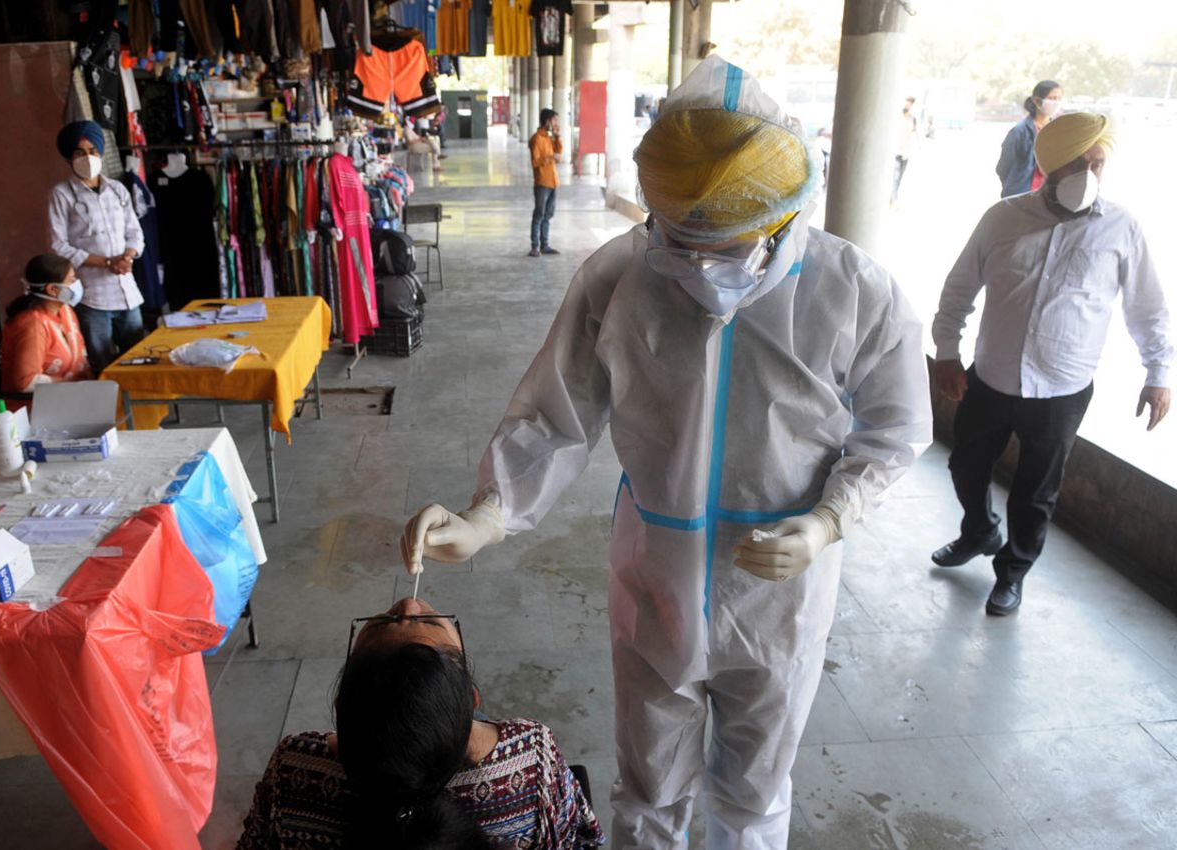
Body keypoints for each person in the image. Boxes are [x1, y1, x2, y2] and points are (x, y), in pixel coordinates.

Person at [401, 56, 932, 850]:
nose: (701, 268)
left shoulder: (855, 292)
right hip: (654, 578)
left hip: (780, 596)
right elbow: (558, 410)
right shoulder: (621, 275)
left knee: (755, 791)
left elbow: (894, 430)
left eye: (725, 244)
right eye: (681, 241)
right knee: (648, 788)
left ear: (784, 214)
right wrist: (490, 511)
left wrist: (827, 520)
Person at [931, 111, 1172, 616]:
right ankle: (979, 531)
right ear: (1049, 166)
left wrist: (1159, 374)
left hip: (1062, 390)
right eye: (1075, 164)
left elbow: (1148, 309)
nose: (1087, 175)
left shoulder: (1122, 228)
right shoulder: (1003, 217)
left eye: (1097, 164)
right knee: (965, 465)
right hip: (991, 379)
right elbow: (958, 289)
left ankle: (1012, 574)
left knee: (1035, 493)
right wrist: (947, 353)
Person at [236, 596, 605, 849]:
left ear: (340, 712)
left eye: (382, 623)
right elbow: (581, 839)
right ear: (472, 699)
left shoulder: (292, 768)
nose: (409, 604)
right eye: (430, 623)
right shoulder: (531, 757)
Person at [48, 120, 146, 373]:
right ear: (69, 158)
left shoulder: (117, 190)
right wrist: (107, 262)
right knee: (101, 364)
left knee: (138, 360)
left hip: (128, 294)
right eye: (80, 152)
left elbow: (134, 232)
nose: (88, 157)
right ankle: (109, 412)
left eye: (93, 151)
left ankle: (142, 411)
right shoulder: (61, 194)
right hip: (93, 297)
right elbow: (58, 245)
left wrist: (128, 257)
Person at [0, 253, 92, 403]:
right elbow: (26, 383)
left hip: (73, 396)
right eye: (71, 280)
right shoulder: (32, 326)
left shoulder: (65, 311)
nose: (77, 284)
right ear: (52, 289)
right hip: (40, 408)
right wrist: (74, 386)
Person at [996, 80, 1062, 198]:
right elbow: (1003, 167)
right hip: (1021, 197)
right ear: (1037, 100)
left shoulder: (1057, 131)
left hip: (1047, 197)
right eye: (1051, 98)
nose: (1055, 102)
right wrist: (1014, 187)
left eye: (1058, 98)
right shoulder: (1019, 132)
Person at [528, 108, 562, 258]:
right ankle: (535, 246)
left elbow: (559, 151)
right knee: (539, 214)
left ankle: (545, 244)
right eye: (554, 120)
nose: (556, 123)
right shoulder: (536, 139)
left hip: (553, 181)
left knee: (548, 214)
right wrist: (550, 157)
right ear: (547, 121)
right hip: (542, 182)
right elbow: (535, 162)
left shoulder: (549, 138)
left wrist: (557, 137)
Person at [891, 96, 917, 205]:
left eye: (910, 104)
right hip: (897, 151)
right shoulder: (897, 118)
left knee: (900, 177)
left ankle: (894, 197)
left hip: (906, 152)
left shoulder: (913, 119)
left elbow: (914, 134)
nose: (908, 106)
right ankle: (893, 199)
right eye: (907, 104)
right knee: (896, 177)